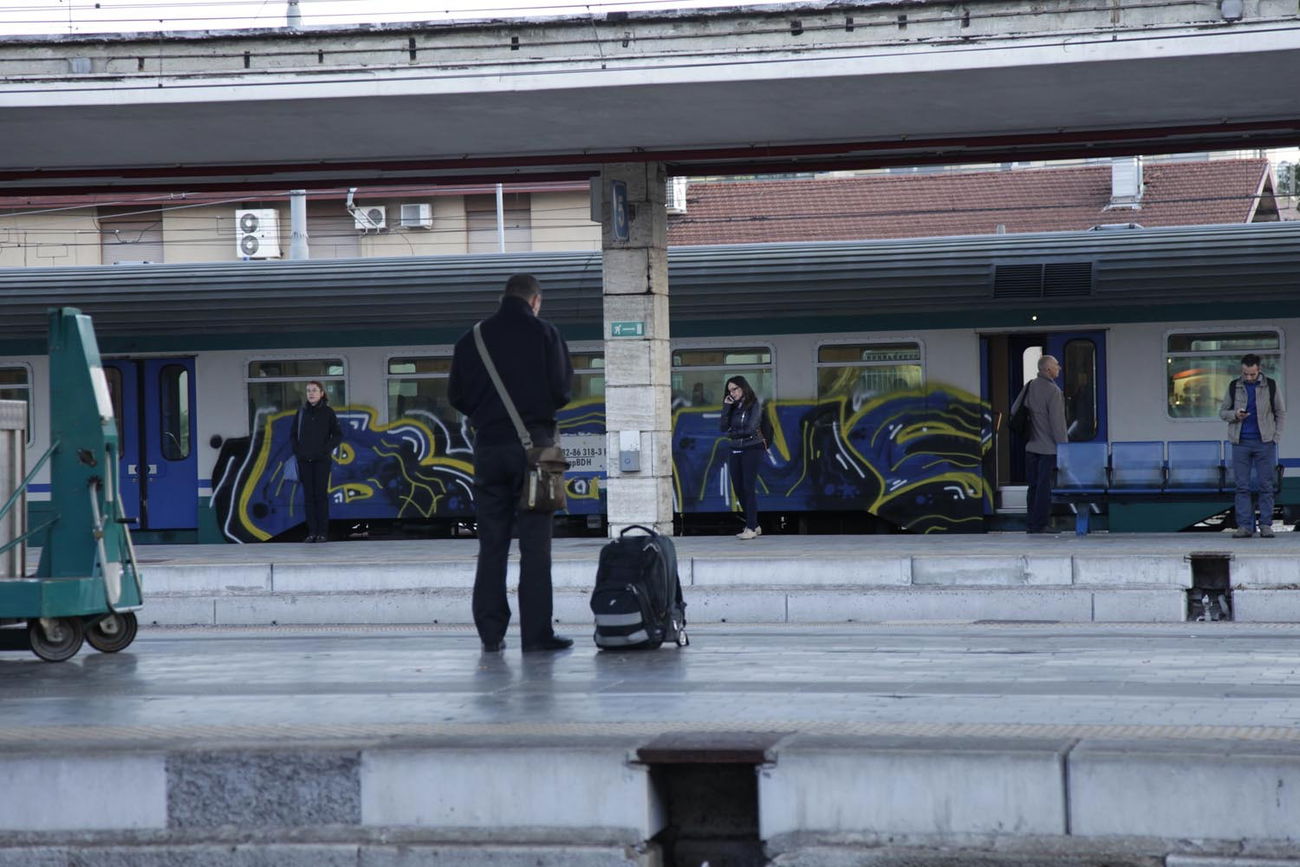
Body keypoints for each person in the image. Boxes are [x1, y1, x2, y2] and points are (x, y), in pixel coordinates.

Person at [449, 274, 575, 653]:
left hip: (488, 448)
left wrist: (487, 415)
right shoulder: (545, 333)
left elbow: (457, 395)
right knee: (536, 547)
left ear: (504, 297)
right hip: (535, 451)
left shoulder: (472, 338)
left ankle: (491, 633)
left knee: (492, 544)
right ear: (535, 301)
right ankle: (536, 635)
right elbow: (562, 391)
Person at [1219, 353, 1285, 538]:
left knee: (1266, 485)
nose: (1248, 377)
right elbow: (1223, 412)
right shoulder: (1234, 386)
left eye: (1252, 374)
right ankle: (1245, 526)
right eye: (1246, 374)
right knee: (1242, 486)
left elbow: (1280, 412)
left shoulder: (1270, 385)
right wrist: (1235, 415)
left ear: (1259, 370)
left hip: (1265, 442)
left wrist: (1275, 437)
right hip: (1240, 442)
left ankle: (1265, 525)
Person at [1014, 355, 1068, 534]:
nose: (1059, 368)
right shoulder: (1053, 391)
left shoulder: (1029, 386)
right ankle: (1041, 524)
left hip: (1030, 447)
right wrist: (1064, 448)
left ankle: (1031, 524)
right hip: (1048, 449)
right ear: (1047, 370)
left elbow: (1015, 410)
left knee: (1033, 486)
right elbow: (1057, 423)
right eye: (1056, 365)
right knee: (1044, 488)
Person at [289, 380, 343, 543]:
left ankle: (323, 533)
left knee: (321, 496)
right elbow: (293, 435)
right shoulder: (301, 413)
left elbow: (338, 435)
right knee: (308, 497)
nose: (311, 393)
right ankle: (312, 532)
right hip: (305, 461)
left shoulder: (328, 412)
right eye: (308, 391)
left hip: (322, 461)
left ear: (321, 393)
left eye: (314, 390)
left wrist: (325, 450)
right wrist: (299, 452)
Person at [720, 375, 764, 540]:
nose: (733, 392)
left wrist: (734, 433)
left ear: (743, 387)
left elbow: (751, 428)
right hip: (735, 448)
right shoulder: (732, 406)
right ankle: (755, 524)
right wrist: (726, 407)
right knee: (738, 488)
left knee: (748, 486)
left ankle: (751, 528)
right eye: (730, 390)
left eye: (735, 389)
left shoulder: (754, 404)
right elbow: (723, 427)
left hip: (752, 448)